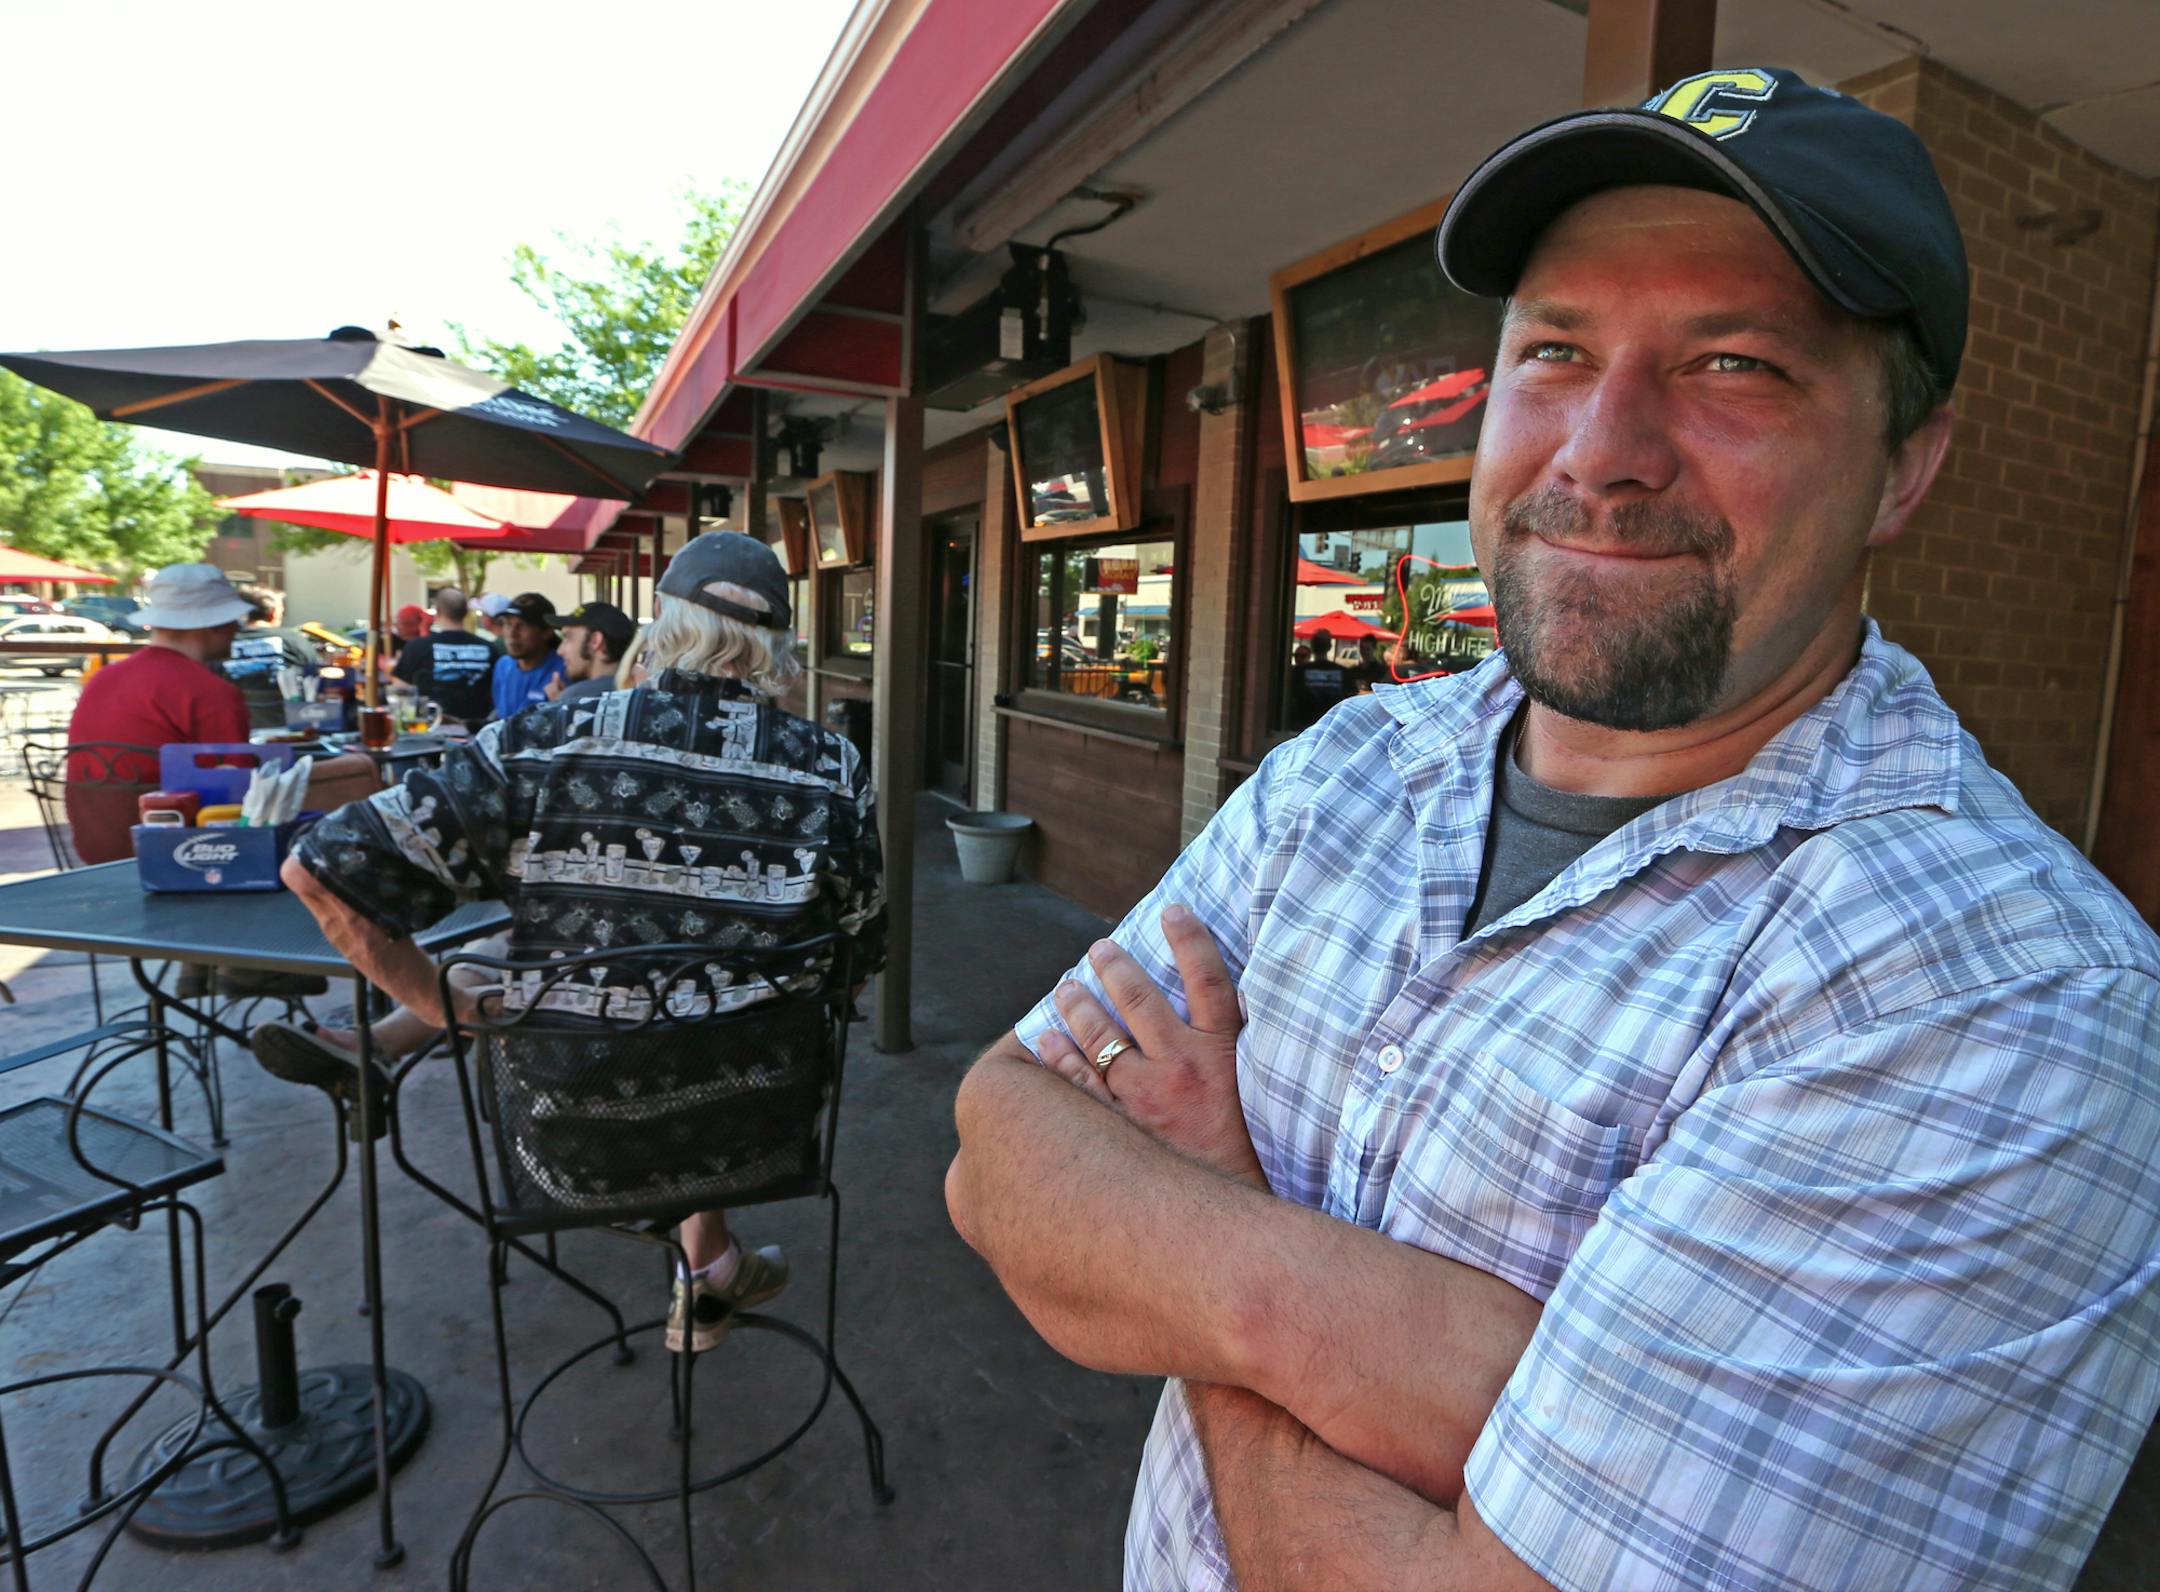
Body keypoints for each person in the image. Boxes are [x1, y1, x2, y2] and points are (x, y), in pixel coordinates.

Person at [946, 69, 2160, 1592]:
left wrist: (1196, 1226)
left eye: (1732, 365)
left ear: (1906, 468)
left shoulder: (1993, 994)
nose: (1602, 450)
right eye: (1555, 353)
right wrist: (1325, 1322)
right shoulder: (1355, 766)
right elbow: (998, 1140)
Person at [260, 531, 885, 1353]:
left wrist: (437, 1004)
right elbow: (858, 958)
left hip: (564, 1139)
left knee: (531, 967)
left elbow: (320, 869)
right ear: (778, 647)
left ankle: (385, 1043)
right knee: (712, 1017)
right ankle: (708, 1269)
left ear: (659, 625)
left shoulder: (544, 740)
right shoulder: (833, 769)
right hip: (760, 1130)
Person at [65, 563, 378, 863]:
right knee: (357, 772)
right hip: (183, 847)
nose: (237, 628)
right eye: (233, 619)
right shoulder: (209, 691)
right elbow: (242, 790)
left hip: (95, 844)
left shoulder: (105, 677)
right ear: (214, 624)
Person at [391, 586, 499, 727]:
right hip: (476, 730)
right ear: (466, 612)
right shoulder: (489, 648)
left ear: (438, 612)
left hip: (431, 731)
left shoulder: (417, 647)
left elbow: (401, 691)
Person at [223, 584, 321, 730]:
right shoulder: (294, 641)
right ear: (273, 613)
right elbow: (318, 680)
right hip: (290, 731)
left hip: (233, 730)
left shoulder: (222, 643)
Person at [486, 592, 566, 721]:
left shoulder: (564, 669)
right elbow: (501, 716)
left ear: (547, 632)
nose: (512, 634)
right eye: (507, 624)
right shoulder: (503, 666)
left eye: (522, 625)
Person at [548, 600, 635, 703]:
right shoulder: (640, 689)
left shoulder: (575, 697)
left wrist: (558, 706)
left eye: (568, 637)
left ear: (595, 641)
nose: (560, 651)